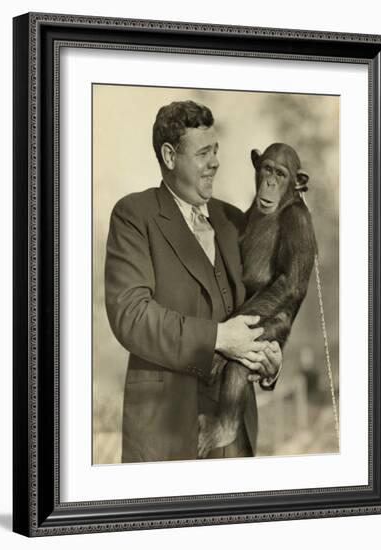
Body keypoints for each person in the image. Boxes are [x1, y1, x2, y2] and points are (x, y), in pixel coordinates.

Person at [105, 100, 282, 463]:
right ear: (170, 156)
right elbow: (132, 317)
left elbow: (259, 308)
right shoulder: (133, 215)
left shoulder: (234, 219)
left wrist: (270, 356)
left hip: (234, 434)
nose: (215, 161)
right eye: (203, 153)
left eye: (215, 150)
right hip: (166, 434)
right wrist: (219, 338)